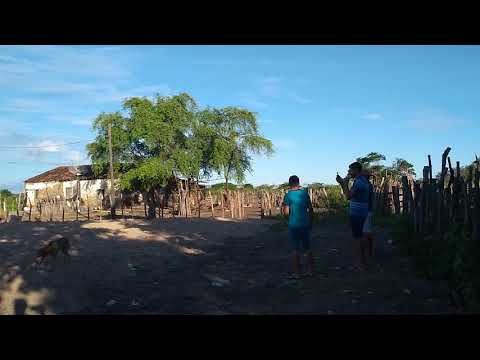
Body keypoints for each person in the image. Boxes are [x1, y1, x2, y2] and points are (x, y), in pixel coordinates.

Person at [336, 162, 370, 271]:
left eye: (350, 170)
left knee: (357, 239)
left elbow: (348, 196)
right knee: (360, 237)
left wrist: (343, 183)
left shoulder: (359, 182)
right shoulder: (363, 180)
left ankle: (359, 264)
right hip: (362, 211)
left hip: (357, 213)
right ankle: (363, 262)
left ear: (356, 170)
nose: (348, 172)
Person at [281, 175, 314, 279]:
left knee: (296, 250)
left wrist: (286, 217)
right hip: (305, 224)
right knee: (308, 249)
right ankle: (310, 271)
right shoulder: (305, 194)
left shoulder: (288, 195)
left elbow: (286, 212)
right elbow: (311, 210)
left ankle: (297, 273)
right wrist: (311, 222)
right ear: (298, 182)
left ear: (289, 183)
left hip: (294, 225)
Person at [362, 172, 375, 259]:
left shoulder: (366, 186)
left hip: (366, 211)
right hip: (368, 211)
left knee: (366, 233)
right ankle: (369, 251)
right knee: (367, 232)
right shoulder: (369, 185)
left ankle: (368, 252)